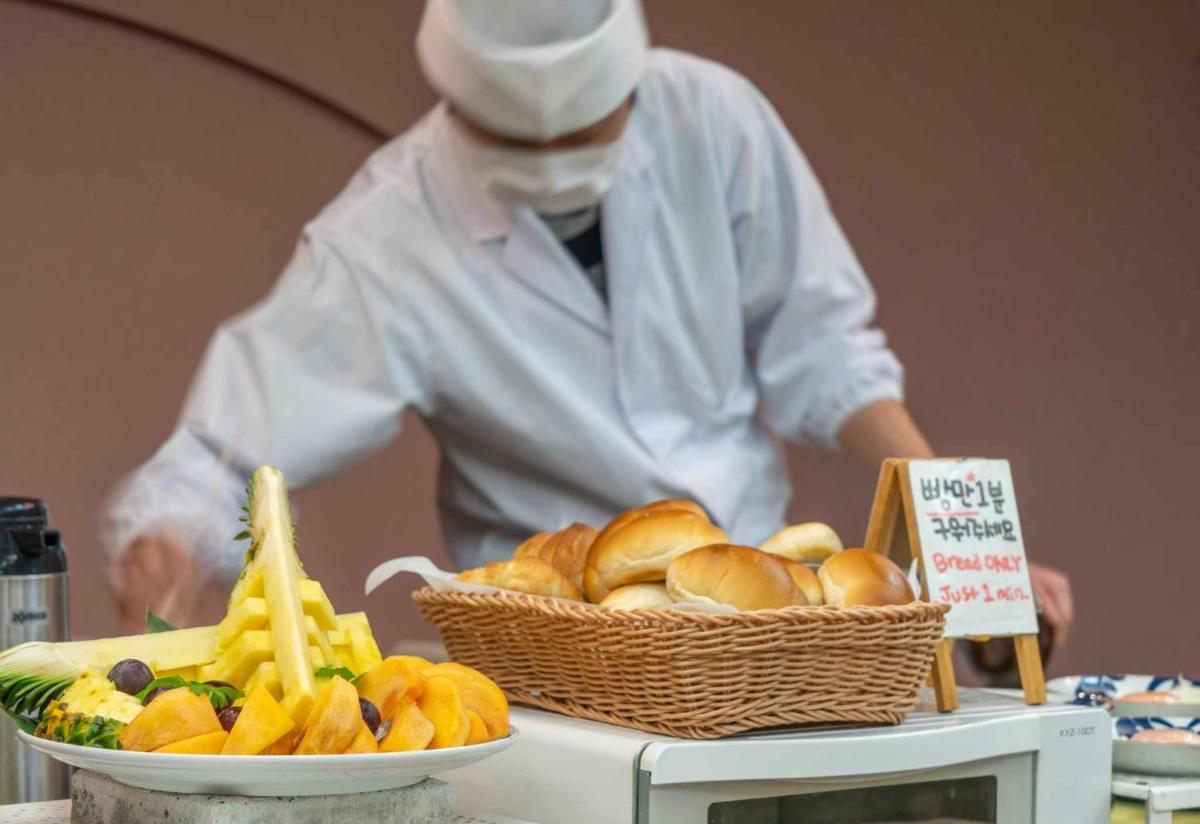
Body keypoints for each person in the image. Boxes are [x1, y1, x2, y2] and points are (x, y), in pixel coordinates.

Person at [103, 0, 1073, 642]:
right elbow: (225, 456)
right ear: (456, 101)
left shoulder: (714, 120)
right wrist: (171, 540)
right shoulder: (386, 233)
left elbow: (830, 353)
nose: (560, 155)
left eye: (591, 127)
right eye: (521, 141)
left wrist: (968, 553)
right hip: (547, 653)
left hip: (763, 619)